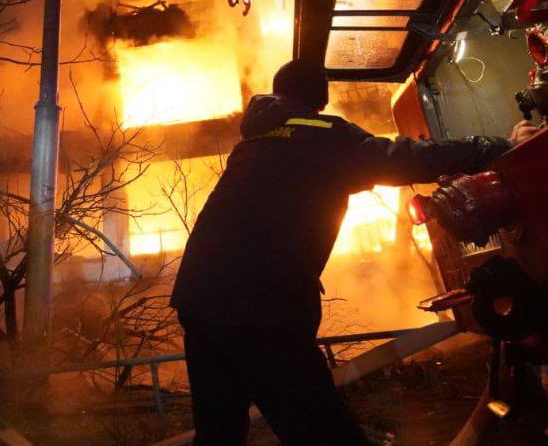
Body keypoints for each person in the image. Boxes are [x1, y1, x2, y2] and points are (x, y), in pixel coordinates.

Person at [171, 59, 528, 445]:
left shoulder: (257, 141)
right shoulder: (319, 135)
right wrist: (494, 148)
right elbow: (403, 158)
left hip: (199, 301)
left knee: (218, 431)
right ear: (319, 98)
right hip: (259, 307)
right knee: (322, 430)